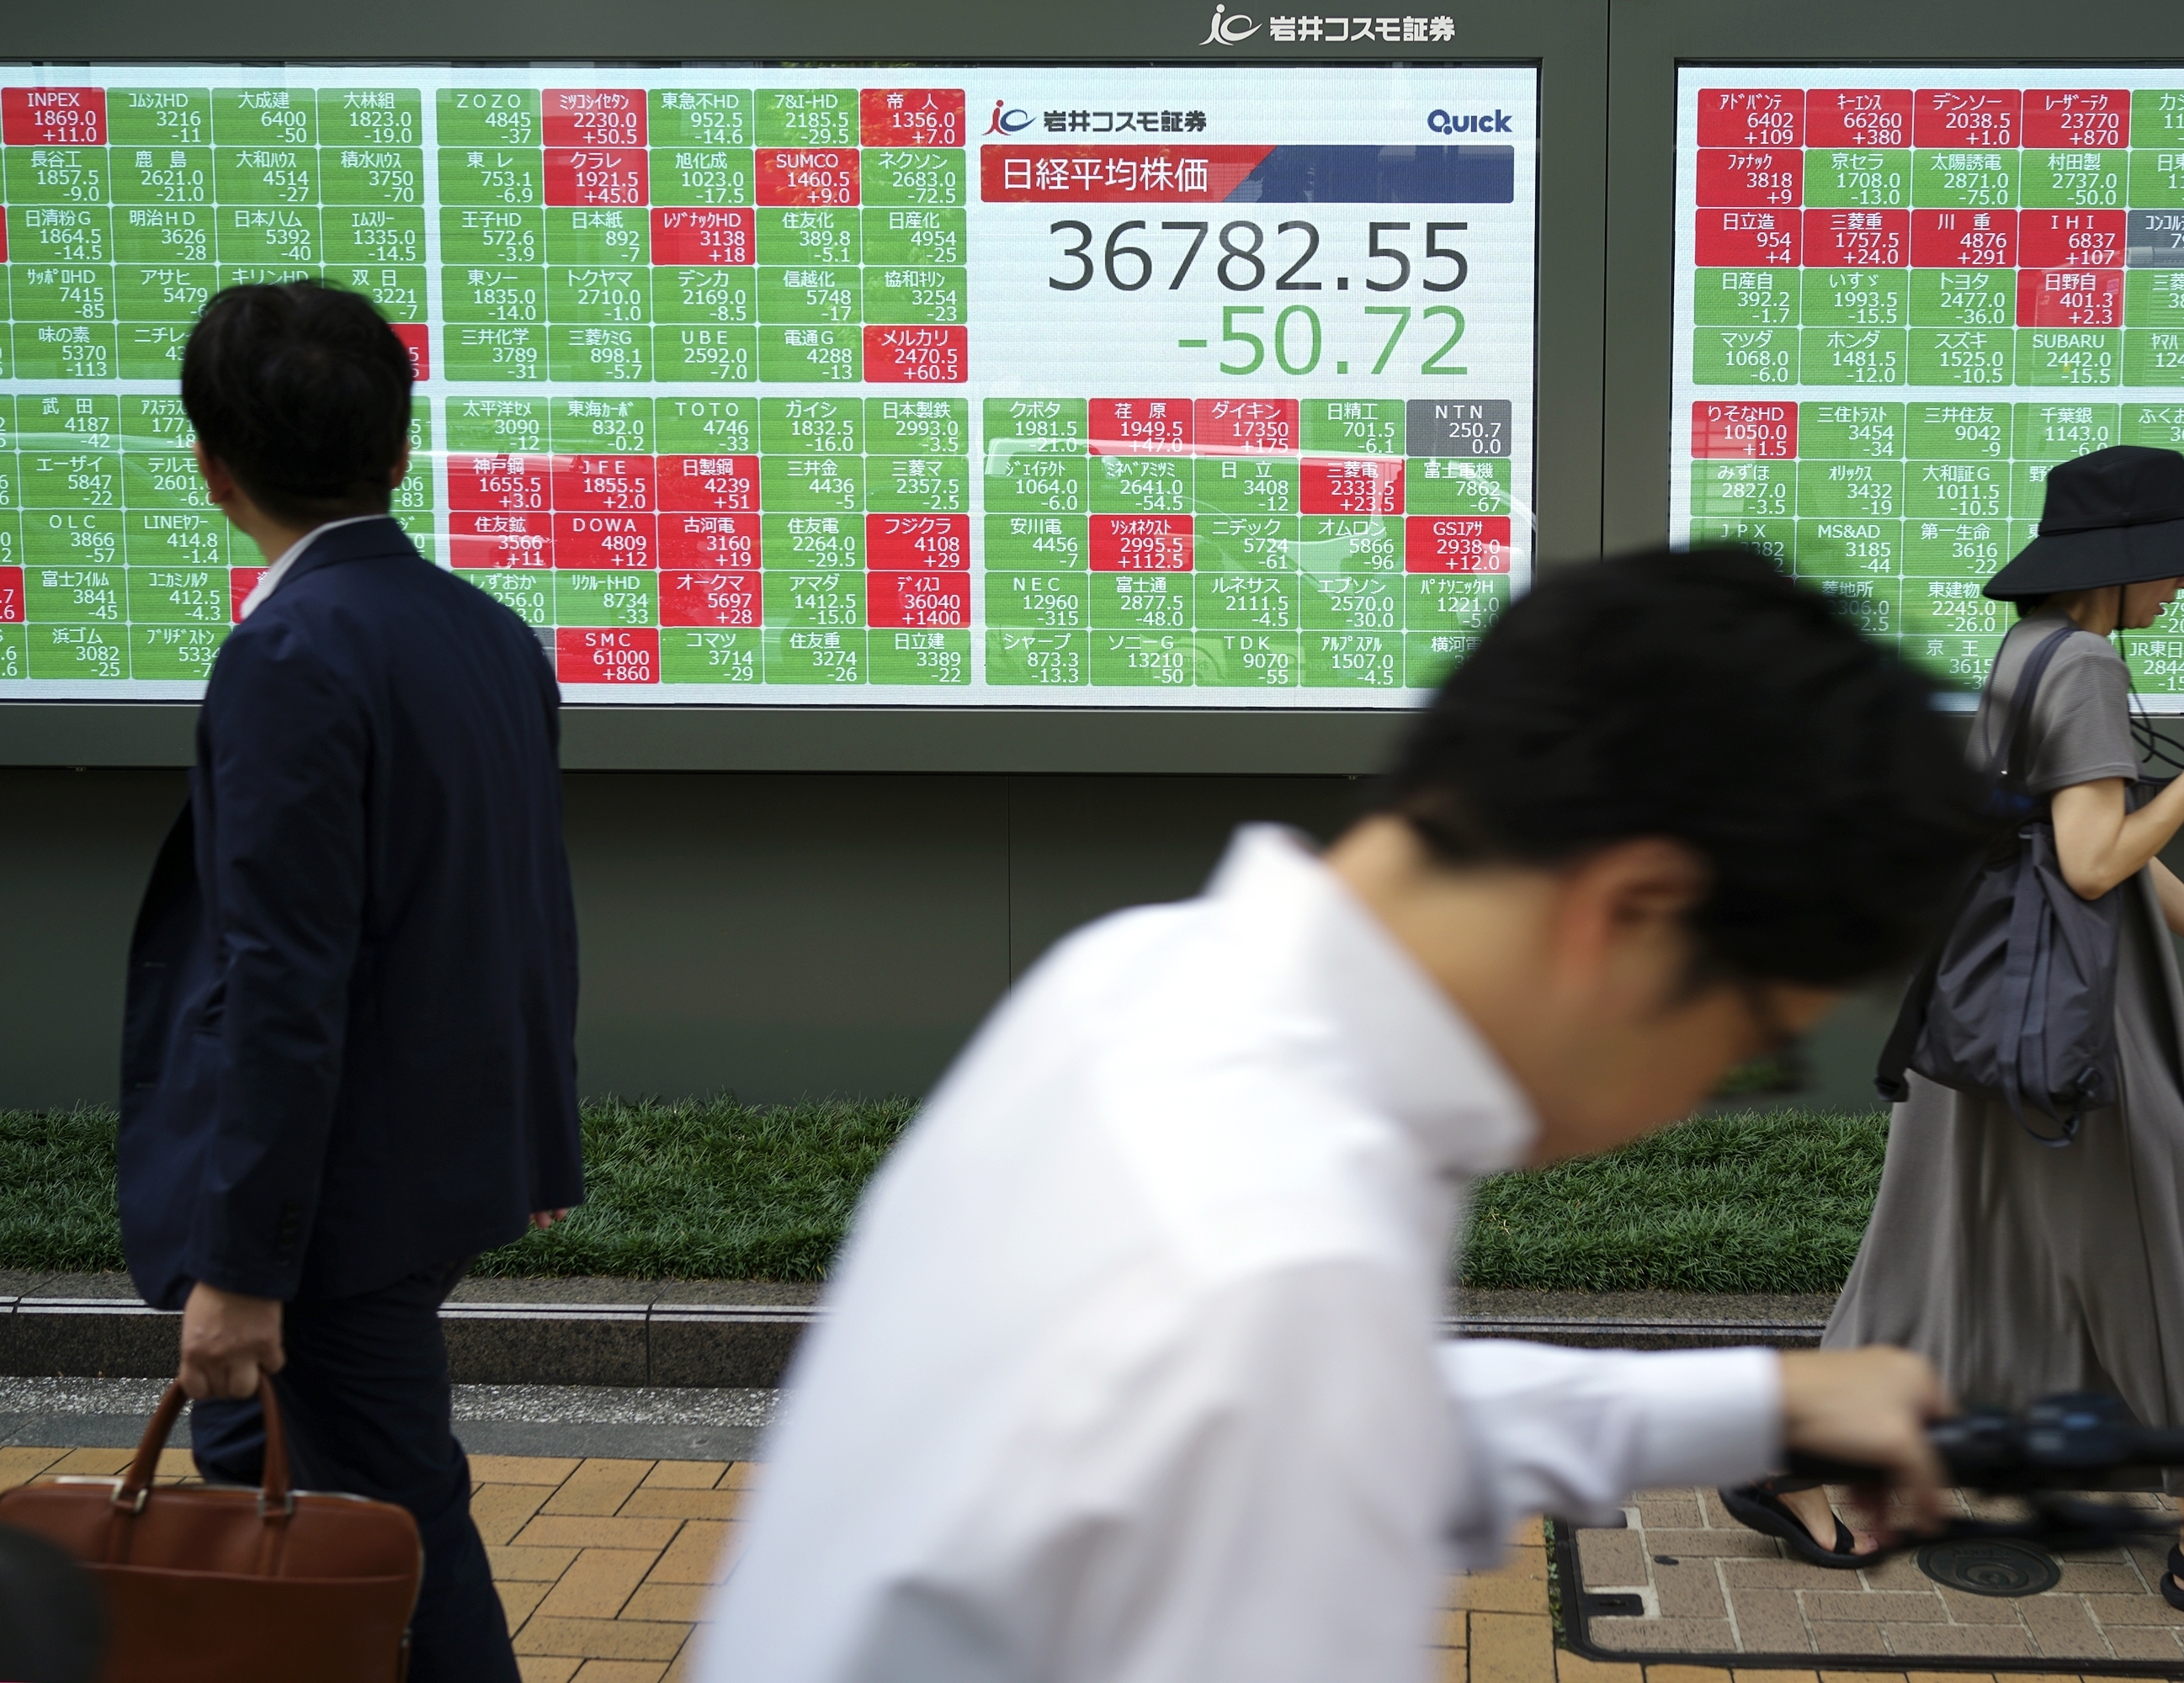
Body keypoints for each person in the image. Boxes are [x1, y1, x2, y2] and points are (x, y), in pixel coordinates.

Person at [699, 548, 1992, 1683]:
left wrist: (1761, 1403)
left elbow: (1310, 1436)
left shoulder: (1137, 976)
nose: (1691, 1108)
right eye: (1752, 1054)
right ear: (1637, 913)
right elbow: (1292, 1392)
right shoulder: (1282, 1268)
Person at [1740, 444, 2184, 1633]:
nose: (2181, 588)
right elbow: (2094, 862)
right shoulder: (2085, 669)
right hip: (2076, 1038)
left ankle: (1791, 1457)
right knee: (2157, 1260)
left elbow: (2078, 839)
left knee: (1936, 1258)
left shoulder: (2030, 653)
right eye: (2169, 567)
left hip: (1993, 1020)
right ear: (2113, 571)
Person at [118, 280, 582, 1683]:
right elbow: (523, 905)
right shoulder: (488, 632)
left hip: (331, 1200)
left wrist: (243, 1270)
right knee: (261, 1467)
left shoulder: (290, 655)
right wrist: (538, 1128)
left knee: (385, 1524)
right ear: (397, 449)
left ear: (212, 465)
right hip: (428, 1164)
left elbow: (282, 975)